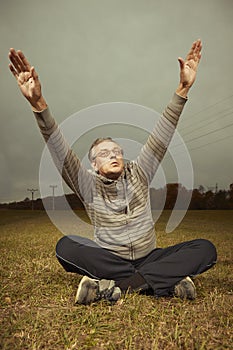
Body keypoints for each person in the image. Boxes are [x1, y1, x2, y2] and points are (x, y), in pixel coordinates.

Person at [9, 40, 217, 305]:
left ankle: (116, 284)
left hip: (149, 255)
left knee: (205, 249)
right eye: (105, 153)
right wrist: (38, 104)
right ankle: (165, 281)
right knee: (66, 247)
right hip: (110, 258)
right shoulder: (86, 182)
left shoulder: (140, 172)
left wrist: (183, 89)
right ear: (93, 164)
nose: (114, 155)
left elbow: (162, 134)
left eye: (117, 150)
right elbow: (59, 149)